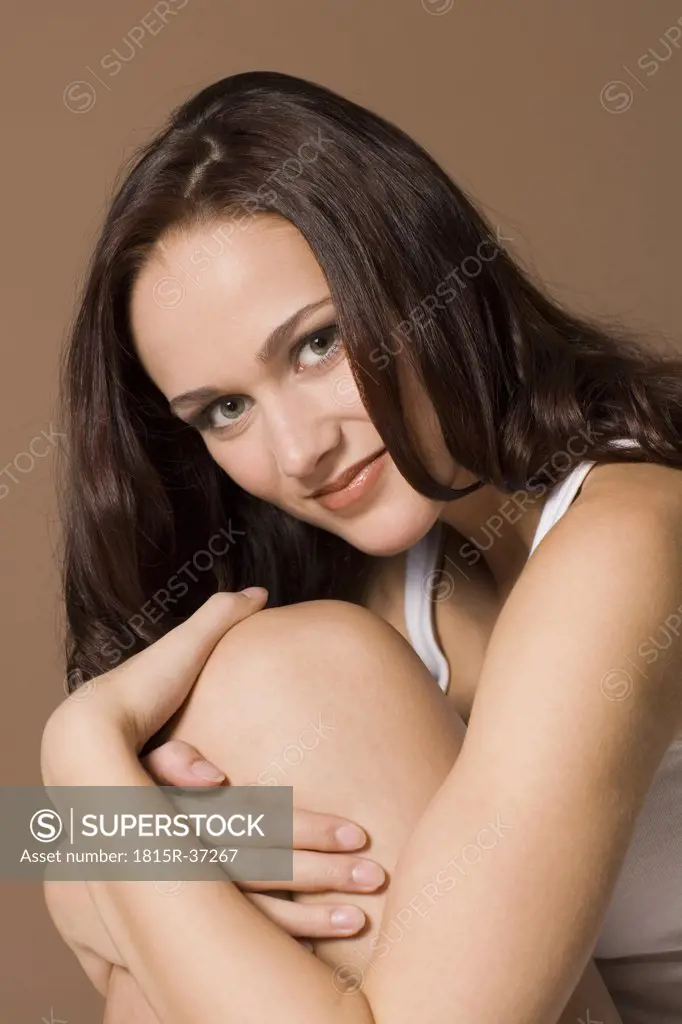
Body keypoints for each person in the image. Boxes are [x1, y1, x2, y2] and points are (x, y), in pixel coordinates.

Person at [43, 70, 682, 1023]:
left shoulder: (626, 537)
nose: (299, 451)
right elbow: (35, 844)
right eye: (224, 410)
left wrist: (89, 757)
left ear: (421, 270)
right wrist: (131, 844)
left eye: (317, 344)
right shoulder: (360, 580)